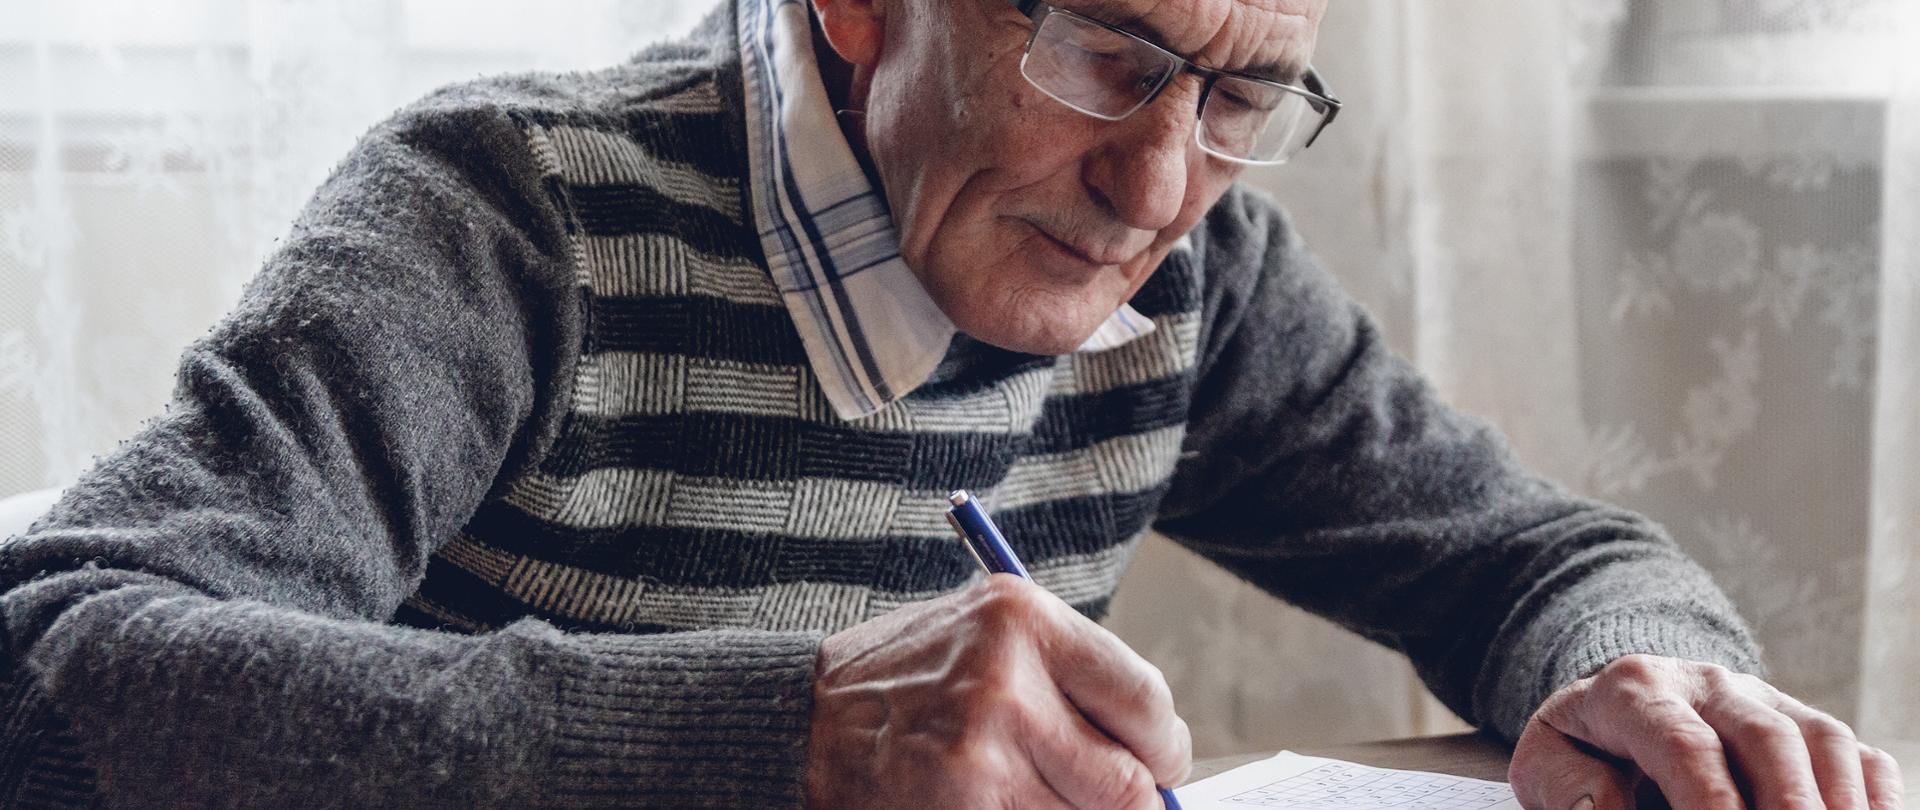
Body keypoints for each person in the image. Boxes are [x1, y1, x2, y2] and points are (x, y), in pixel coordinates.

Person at [0, 0, 1901, 807]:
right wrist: (780, 737)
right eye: (1102, 53)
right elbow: (48, 663)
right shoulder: (509, 218)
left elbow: (1533, 554)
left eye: (1244, 95)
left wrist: (1648, 665)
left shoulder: (1192, 280)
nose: (1159, 191)